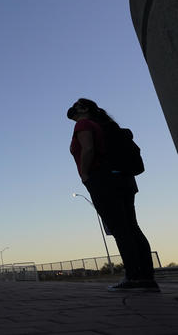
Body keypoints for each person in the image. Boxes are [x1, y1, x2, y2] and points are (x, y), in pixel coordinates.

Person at [67, 98, 159, 292]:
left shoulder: (84, 124)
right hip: (124, 180)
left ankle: (133, 277)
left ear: (84, 109)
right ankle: (147, 278)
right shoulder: (107, 126)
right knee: (132, 227)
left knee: (120, 229)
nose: (72, 109)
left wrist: (84, 174)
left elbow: (88, 148)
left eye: (76, 106)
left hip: (102, 179)